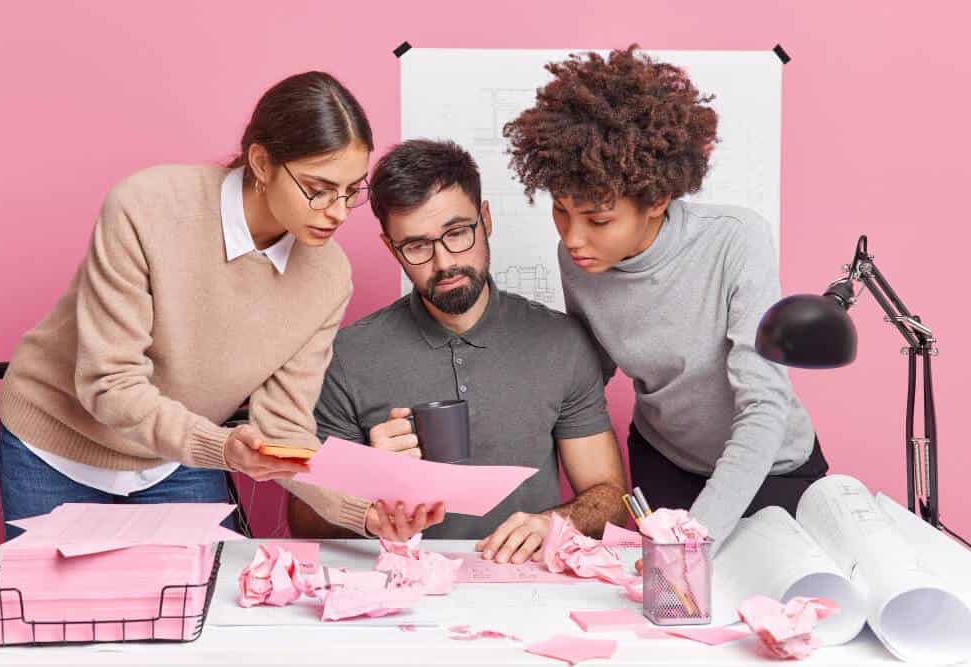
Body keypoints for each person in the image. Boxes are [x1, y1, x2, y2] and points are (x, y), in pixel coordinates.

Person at [0, 71, 406, 540]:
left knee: (206, 606)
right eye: (318, 188)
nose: (336, 210)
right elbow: (109, 384)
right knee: (53, 613)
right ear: (260, 162)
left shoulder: (328, 275)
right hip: (55, 443)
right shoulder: (147, 208)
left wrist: (365, 514)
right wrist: (223, 447)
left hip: (176, 457)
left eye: (352, 191)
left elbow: (284, 430)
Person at [503, 46, 829, 548]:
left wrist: (695, 538)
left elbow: (764, 403)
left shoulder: (737, 240)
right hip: (663, 461)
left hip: (772, 468)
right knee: (664, 608)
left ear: (656, 200)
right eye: (561, 211)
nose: (572, 237)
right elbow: (591, 372)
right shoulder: (582, 256)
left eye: (598, 219)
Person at [288, 139, 628, 564]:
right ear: (390, 247)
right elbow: (302, 522)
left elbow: (612, 499)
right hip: (399, 589)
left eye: (457, 233)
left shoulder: (561, 342)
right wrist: (367, 475)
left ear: (485, 219)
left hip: (524, 583)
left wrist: (556, 523)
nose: (444, 262)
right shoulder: (345, 356)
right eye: (416, 246)